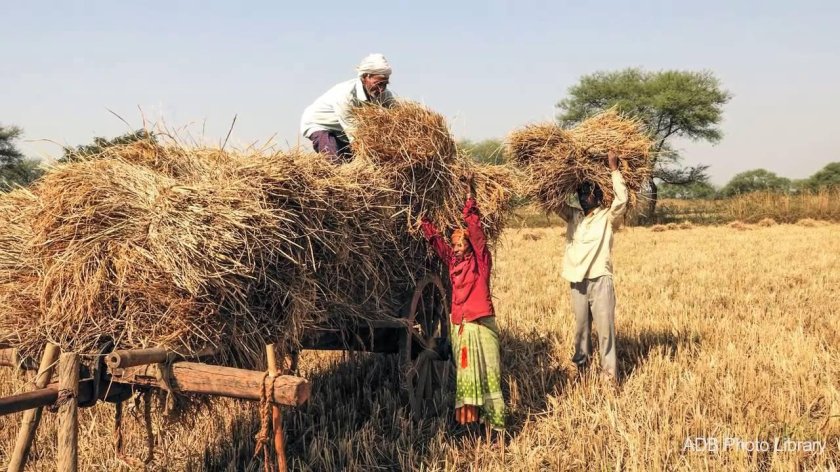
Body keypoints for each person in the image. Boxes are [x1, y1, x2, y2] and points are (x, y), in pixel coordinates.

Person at [420, 177, 506, 433]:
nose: (456, 248)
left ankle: (494, 428)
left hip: (481, 325)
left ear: (470, 246)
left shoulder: (481, 262)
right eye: (455, 245)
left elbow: (477, 235)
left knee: (489, 376)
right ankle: (469, 426)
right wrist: (424, 221)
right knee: (466, 377)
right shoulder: (452, 263)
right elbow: (438, 244)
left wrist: (469, 200)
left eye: (461, 244)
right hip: (461, 327)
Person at [557, 151, 627, 383]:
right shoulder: (573, 216)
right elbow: (551, 201)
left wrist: (614, 170)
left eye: (590, 192)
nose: (585, 196)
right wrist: (561, 173)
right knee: (581, 330)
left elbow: (622, 200)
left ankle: (609, 377)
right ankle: (581, 370)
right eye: (581, 192)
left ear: (598, 195)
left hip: (600, 278)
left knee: (606, 331)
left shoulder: (607, 217)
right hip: (577, 280)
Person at [299, 53, 395, 163]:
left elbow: (397, 113)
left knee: (350, 162)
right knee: (334, 162)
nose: (381, 89)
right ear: (365, 77)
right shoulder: (346, 95)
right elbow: (353, 132)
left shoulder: (383, 94)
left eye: (385, 84)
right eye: (378, 84)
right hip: (321, 124)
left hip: (341, 131)